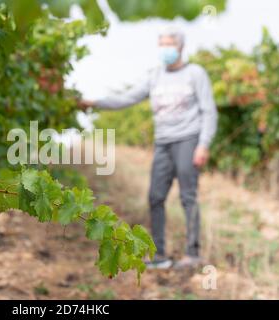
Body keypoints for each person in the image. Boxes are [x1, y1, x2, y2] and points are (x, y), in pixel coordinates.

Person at [80, 27, 218, 269]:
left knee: (188, 197)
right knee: (155, 197)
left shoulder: (195, 74)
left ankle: (193, 254)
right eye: (161, 44)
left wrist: (203, 145)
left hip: (188, 139)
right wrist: (94, 103)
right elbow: (127, 98)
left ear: (180, 47)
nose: (165, 49)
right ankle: (159, 255)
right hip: (162, 142)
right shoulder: (155, 76)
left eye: (169, 45)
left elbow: (209, 111)